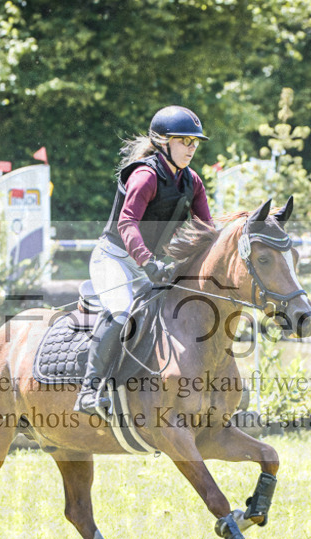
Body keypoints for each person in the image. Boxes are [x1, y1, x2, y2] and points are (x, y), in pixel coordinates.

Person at [74, 105, 214, 416]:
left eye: (195, 143)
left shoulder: (193, 182)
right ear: (164, 141)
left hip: (151, 264)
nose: (191, 148)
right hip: (115, 258)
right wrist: (148, 261)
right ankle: (89, 389)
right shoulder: (145, 176)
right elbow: (127, 223)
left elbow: (207, 231)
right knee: (123, 314)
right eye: (184, 141)